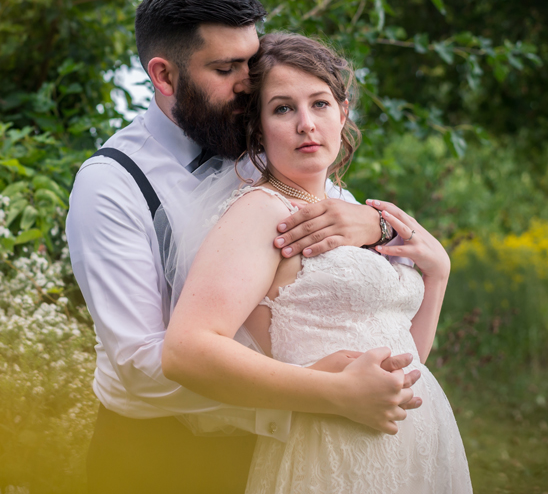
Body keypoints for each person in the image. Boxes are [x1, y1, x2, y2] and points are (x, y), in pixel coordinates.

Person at [66, 0, 422, 494]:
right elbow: (141, 365)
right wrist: (318, 387)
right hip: (161, 459)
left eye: (251, 63)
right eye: (225, 68)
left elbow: (336, 239)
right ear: (164, 76)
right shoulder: (112, 184)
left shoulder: (262, 142)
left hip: (295, 447)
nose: (248, 83)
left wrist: (376, 225)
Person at [162, 32, 472, 493]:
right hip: (330, 452)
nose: (306, 124)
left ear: (343, 113)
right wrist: (337, 392)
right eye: (283, 109)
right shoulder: (260, 212)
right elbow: (185, 351)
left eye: (320, 104)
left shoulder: (350, 209)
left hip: (415, 443)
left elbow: (408, 357)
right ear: (259, 127)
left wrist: (438, 274)